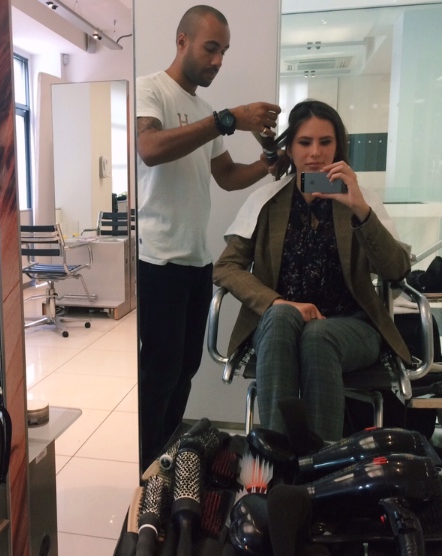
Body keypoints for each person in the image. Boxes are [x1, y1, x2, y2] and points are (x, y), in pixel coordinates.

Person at [213, 99, 412, 441]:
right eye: (305, 142)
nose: (315, 152)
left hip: (352, 326)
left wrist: (360, 210)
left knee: (318, 336)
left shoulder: (361, 200)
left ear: (338, 147)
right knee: (281, 316)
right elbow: (226, 267)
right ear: (290, 149)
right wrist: (276, 302)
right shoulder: (267, 201)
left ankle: (320, 462)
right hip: (278, 326)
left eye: (325, 142)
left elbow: (396, 270)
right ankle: (278, 456)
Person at [136, 4, 282, 468]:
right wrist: (226, 119)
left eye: (224, 52)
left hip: (197, 261)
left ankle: (162, 458)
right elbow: (149, 148)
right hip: (156, 259)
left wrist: (267, 164)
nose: (218, 60)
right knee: (159, 372)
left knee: (185, 370)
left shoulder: (203, 110)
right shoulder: (149, 90)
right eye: (211, 48)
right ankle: (142, 465)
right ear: (182, 41)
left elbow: (227, 176)